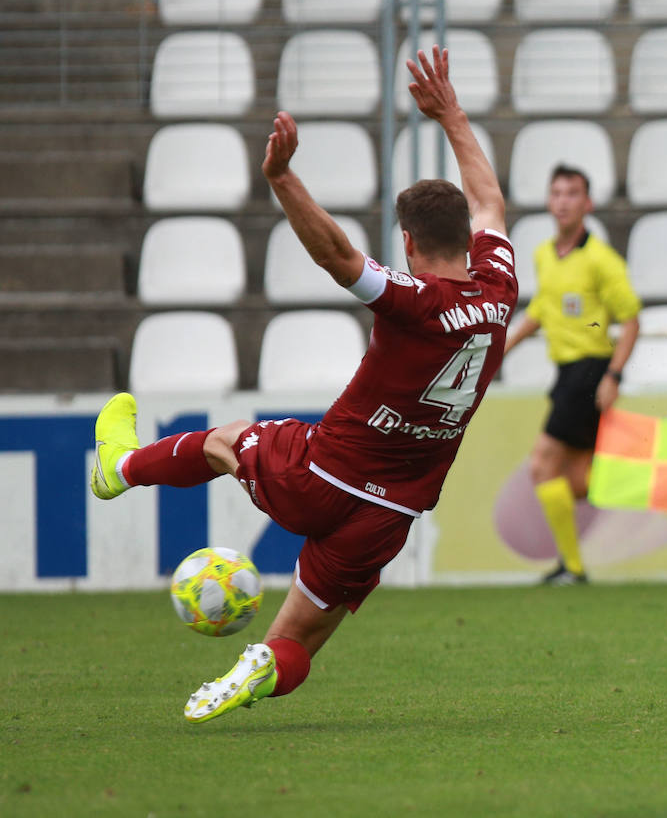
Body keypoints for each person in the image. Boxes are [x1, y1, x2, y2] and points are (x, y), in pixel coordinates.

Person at [89, 46, 517, 723]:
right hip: (389, 514)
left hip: (322, 472)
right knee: (297, 642)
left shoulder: (412, 299)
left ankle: (120, 468)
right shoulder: (500, 286)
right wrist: (452, 114)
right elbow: (491, 197)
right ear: (468, 237)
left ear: (408, 242)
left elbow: (336, 255)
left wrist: (283, 177)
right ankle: (261, 663)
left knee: (225, 442)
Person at [503, 166, 641, 585]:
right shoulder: (544, 254)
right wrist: (499, 349)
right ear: (549, 201)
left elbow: (631, 320)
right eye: (557, 193)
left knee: (542, 465)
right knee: (578, 480)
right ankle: (665, 461)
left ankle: (573, 566)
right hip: (565, 374)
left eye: (572, 193)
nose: (563, 201)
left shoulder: (602, 260)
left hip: (590, 370)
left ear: (587, 204)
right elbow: (542, 310)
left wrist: (613, 376)